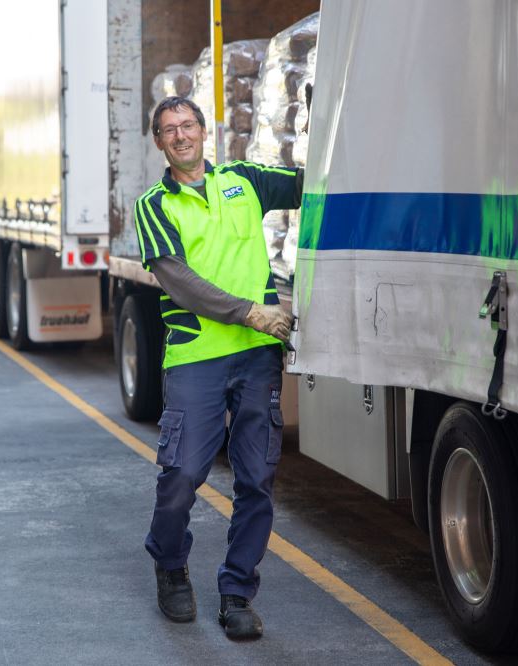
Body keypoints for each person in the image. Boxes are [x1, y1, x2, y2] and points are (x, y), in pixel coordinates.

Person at [136, 96, 303, 641]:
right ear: (158, 142)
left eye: (188, 125)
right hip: (196, 358)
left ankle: (237, 591)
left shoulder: (244, 180)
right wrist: (251, 312)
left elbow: (313, 185)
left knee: (257, 480)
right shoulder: (154, 205)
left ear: (204, 131)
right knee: (183, 474)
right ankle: (169, 565)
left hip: (257, 357)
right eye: (169, 130)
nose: (180, 136)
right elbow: (180, 283)